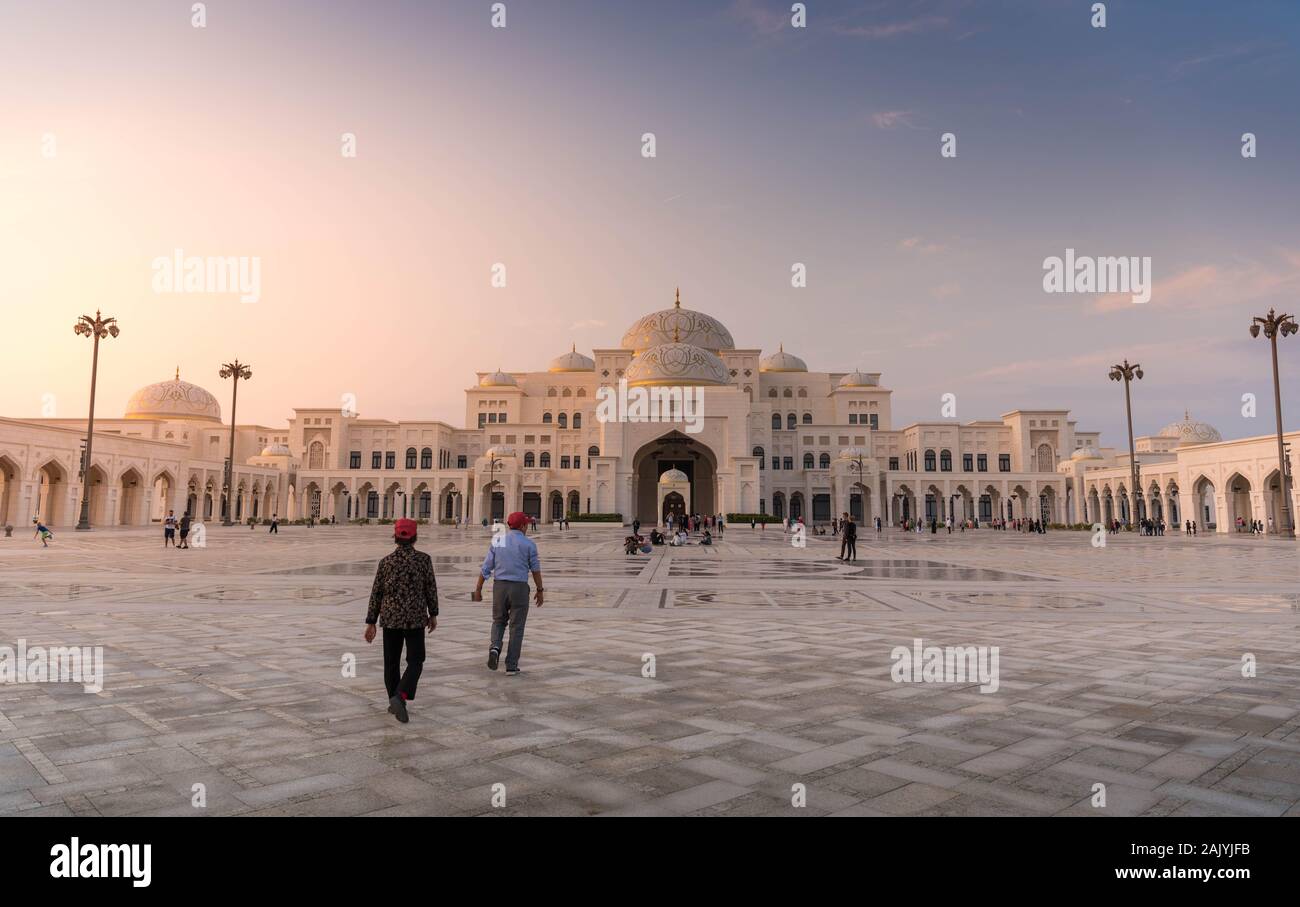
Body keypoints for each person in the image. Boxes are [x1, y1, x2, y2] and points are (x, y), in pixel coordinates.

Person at [364, 518, 438, 724]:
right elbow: (430, 589)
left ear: (395, 537)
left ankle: (394, 700)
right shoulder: (423, 560)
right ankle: (401, 696)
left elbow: (376, 593)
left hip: (390, 618)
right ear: (415, 537)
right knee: (416, 660)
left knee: (391, 662)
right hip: (414, 618)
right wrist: (433, 613)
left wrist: (371, 621)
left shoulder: (386, 562)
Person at [473, 511, 543, 676]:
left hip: (500, 587)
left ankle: (495, 647)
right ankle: (511, 665)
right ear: (523, 526)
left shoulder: (498, 541)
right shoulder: (529, 544)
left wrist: (478, 589)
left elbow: (486, 568)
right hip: (519, 587)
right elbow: (535, 570)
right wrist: (540, 590)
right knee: (516, 627)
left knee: (498, 621)